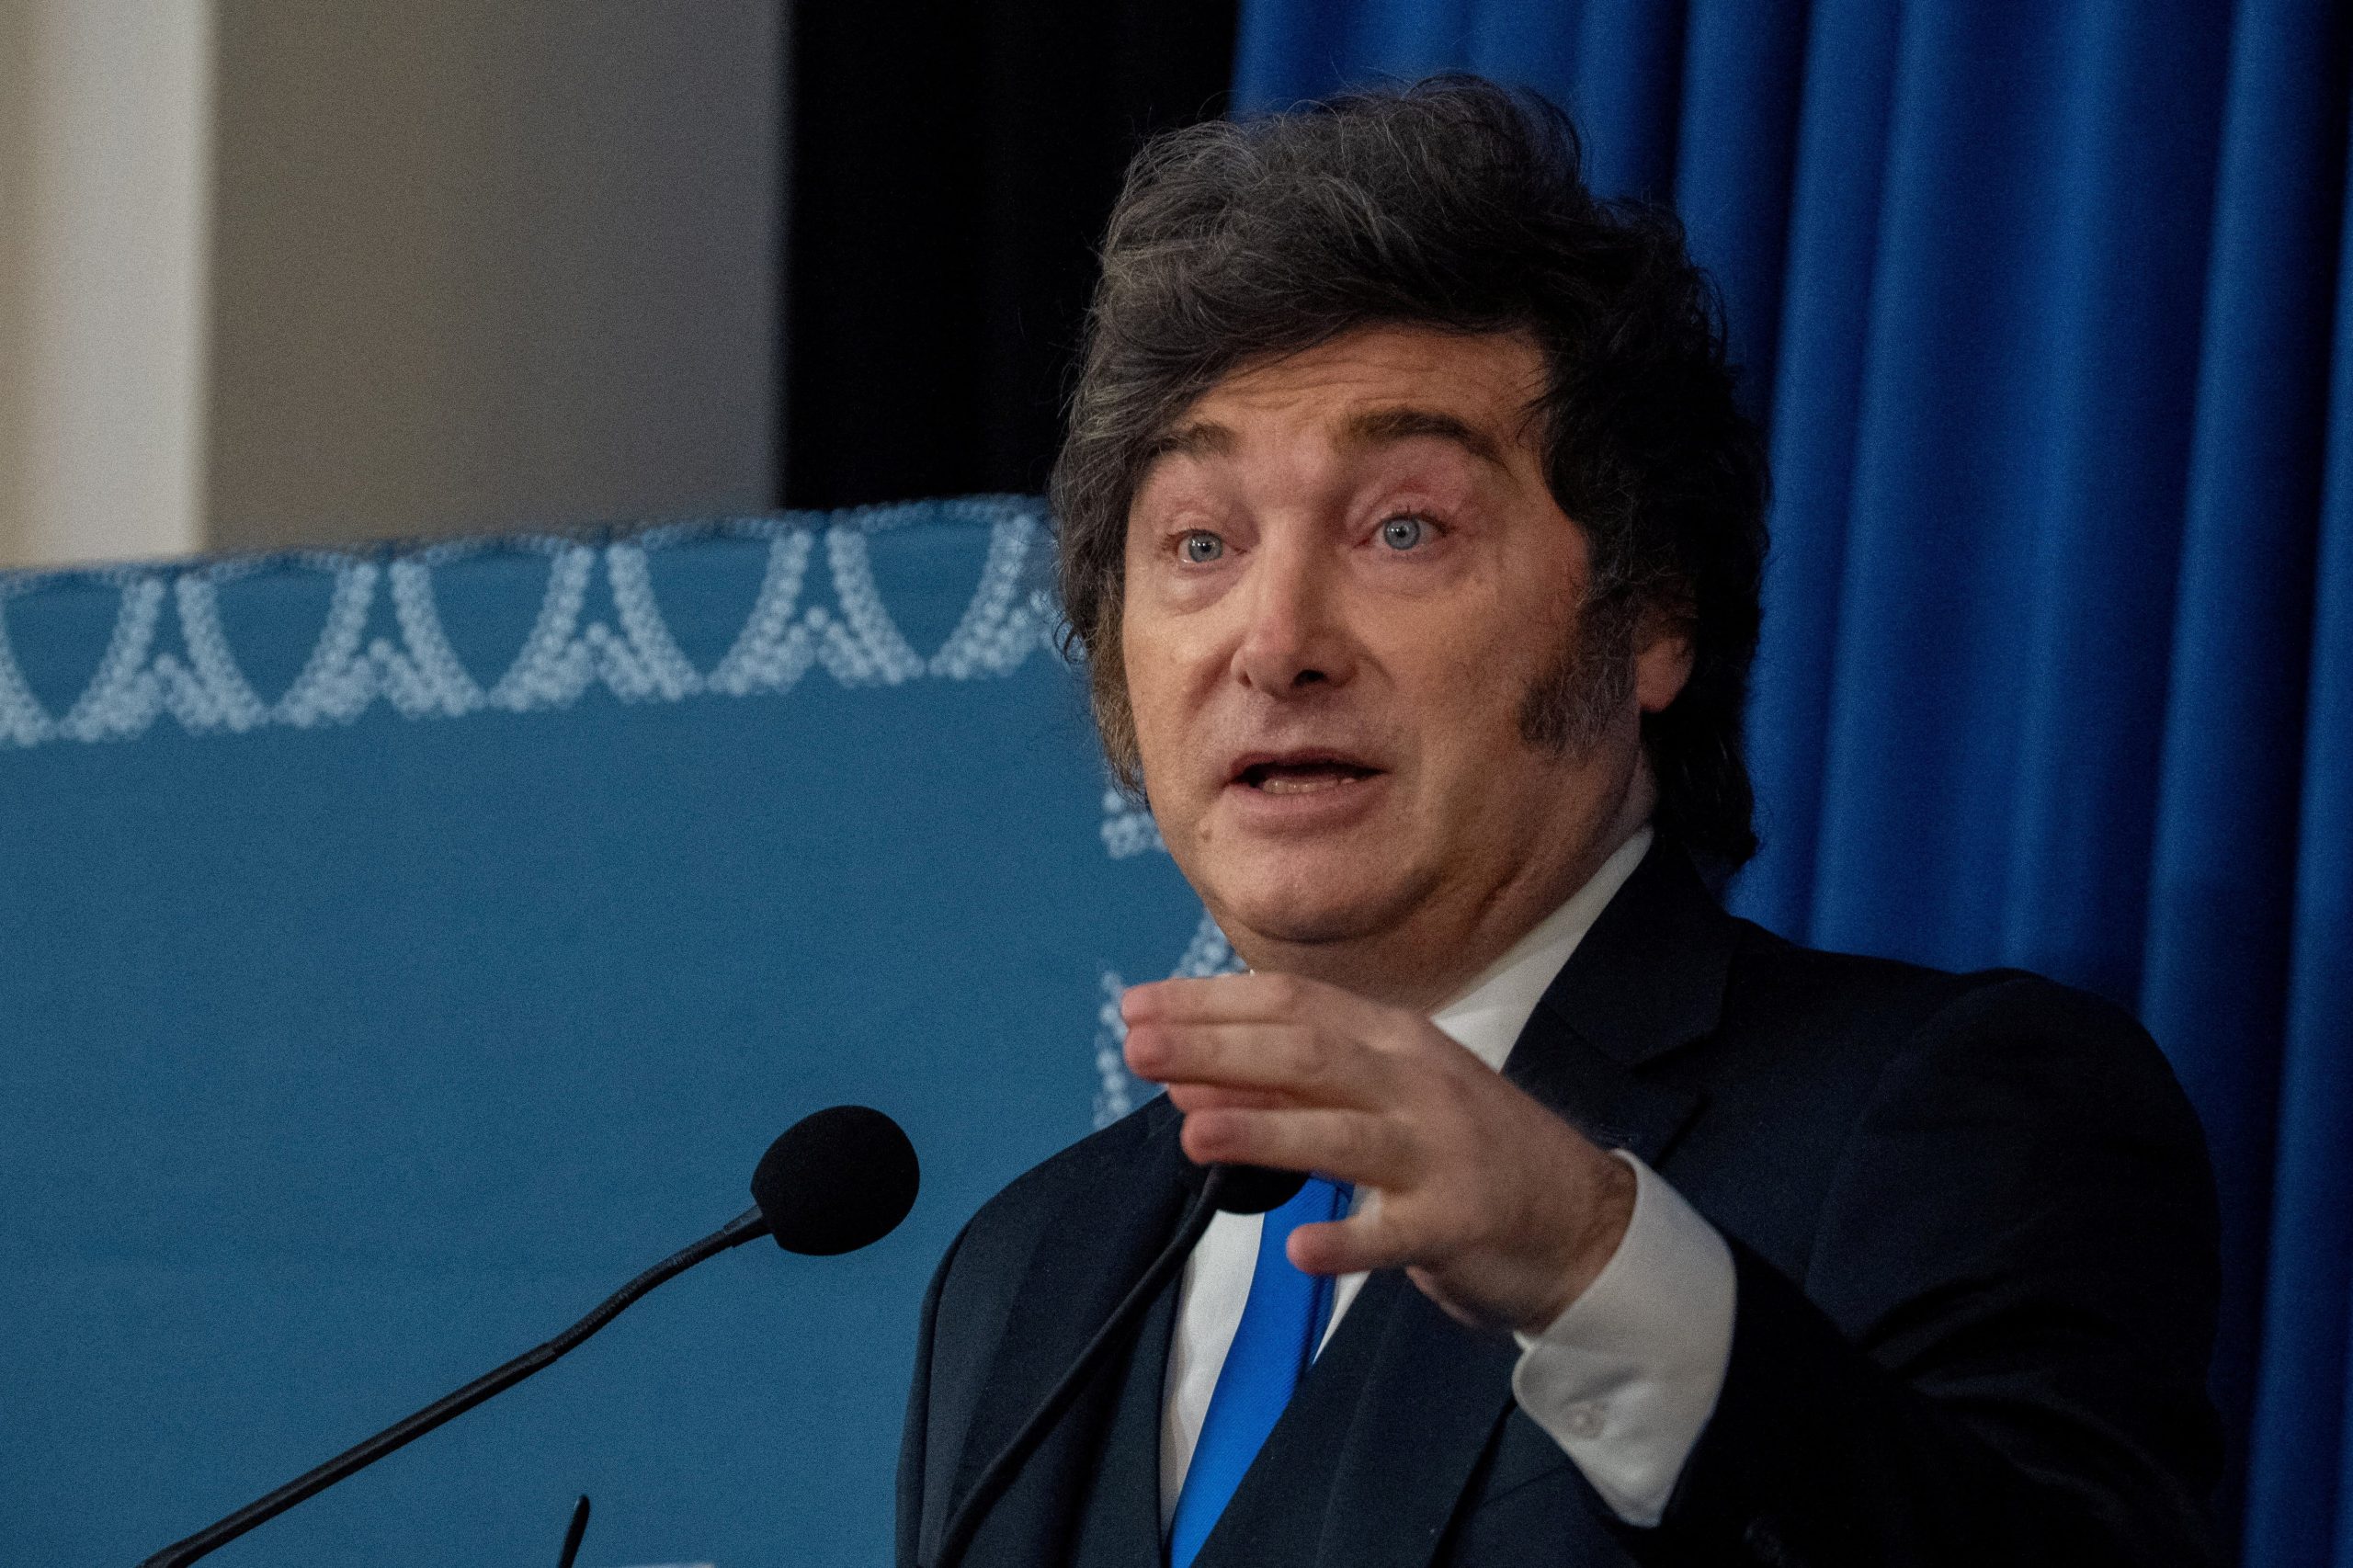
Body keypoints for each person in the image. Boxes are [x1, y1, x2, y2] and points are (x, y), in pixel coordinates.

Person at [896, 77, 2221, 1568]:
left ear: (1650, 618)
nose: (1276, 642)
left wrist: (1597, 1261)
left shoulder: (1942, 1121)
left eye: (1404, 528)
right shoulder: (1028, 1270)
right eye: (1200, 542)